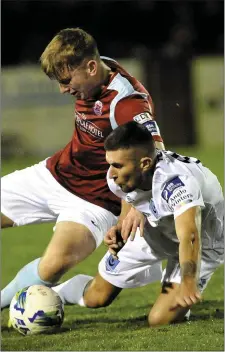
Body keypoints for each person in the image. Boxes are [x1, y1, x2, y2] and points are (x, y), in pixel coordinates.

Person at [1, 28, 164, 310]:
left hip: (95, 202)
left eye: (66, 81)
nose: (64, 89)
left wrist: (135, 202)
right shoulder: (100, 68)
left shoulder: (126, 104)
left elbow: (157, 153)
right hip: (54, 174)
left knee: (53, 266)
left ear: (89, 67)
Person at [52, 121, 223, 326]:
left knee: (159, 319)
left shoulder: (176, 183)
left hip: (202, 242)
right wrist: (119, 228)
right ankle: (50, 294)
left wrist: (188, 281)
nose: (112, 172)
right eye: (110, 163)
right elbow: (130, 196)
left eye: (117, 165)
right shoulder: (120, 176)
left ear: (144, 164)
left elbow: (190, 235)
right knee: (96, 296)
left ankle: (177, 300)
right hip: (155, 228)